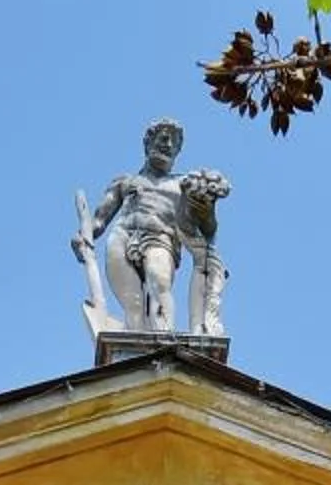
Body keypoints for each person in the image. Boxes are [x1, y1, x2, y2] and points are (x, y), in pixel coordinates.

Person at [79, 121, 230, 336]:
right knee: (133, 303)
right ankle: (138, 350)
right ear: (148, 143)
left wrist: (207, 211)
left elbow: (209, 232)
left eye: (174, 142)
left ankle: (164, 339)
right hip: (122, 237)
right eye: (163, 138)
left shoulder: (184, 185)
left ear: (178, 151)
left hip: (161, 239)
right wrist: (84, 236)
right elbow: (99, 220)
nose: (168, 144)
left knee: (158, 284)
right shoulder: (125, 182)